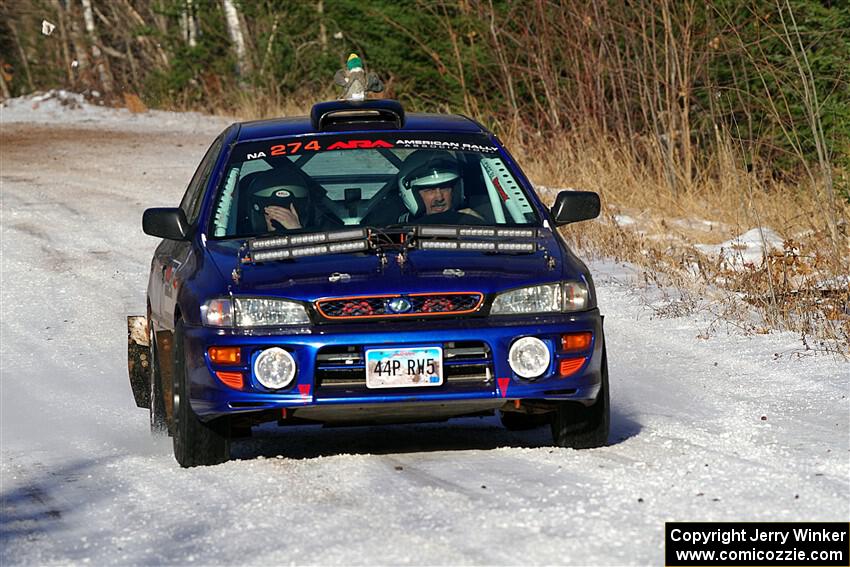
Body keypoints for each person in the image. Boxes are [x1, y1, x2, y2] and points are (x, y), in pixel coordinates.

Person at [398, 151, 483, 222]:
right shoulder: (394, 228)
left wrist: (479, 224)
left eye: (444, 187)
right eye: (430, 189)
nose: (439, 198)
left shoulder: (469, 218)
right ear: (411, 195)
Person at [247, 169, 313, 232]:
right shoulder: (243, 237)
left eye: (287, 214)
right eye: (274, 212)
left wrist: (295, 229)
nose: (281, 218)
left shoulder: (317, 232)